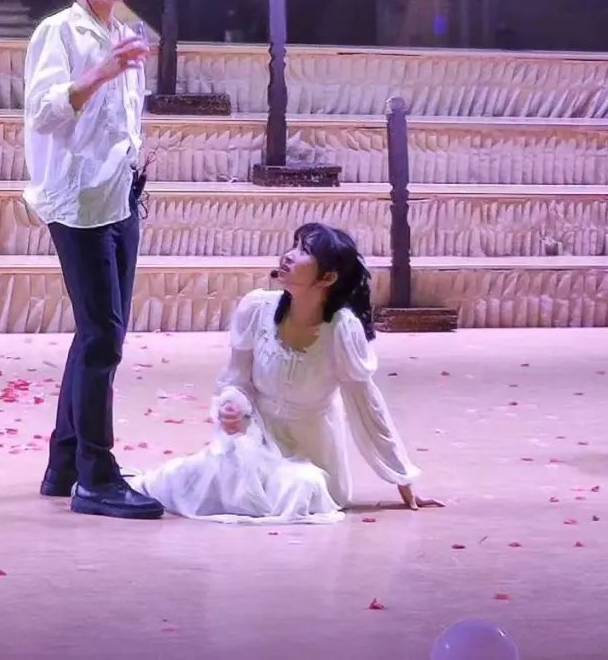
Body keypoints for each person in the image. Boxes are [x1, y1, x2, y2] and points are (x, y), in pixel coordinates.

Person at [130, 223, 444, 524]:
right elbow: (236, 380)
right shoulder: (257, 308)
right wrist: (233, 405)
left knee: (302, 487)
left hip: (308, 455)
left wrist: (401, 477)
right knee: (188, 479)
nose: (289, 255)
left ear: (327, 277)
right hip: (256, 438)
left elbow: (367, 406)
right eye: (294, 246)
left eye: (303, 251)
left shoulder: (342, 330)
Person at [22, 0, 162, 519]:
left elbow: (121, 124)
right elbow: (44, 112)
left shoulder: (125, 33)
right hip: (79, 203)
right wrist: (101, 72)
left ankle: (65, 464)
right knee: (103, 336)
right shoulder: (59, 33)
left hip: (119, 196)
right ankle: (97, 477)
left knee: (98, 333)